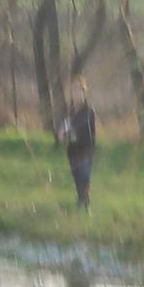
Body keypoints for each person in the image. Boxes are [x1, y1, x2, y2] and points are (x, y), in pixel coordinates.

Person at [60, 81, 98, 210]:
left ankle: (85, 205)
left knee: (84, 177)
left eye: (79, 92)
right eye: (74, 92)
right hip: (73, 151)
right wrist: (59, 134)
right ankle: (82, 202)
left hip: (86, 150)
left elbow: (78, 125)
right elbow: (61, 128)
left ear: (84, 94)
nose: (76, 95)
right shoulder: (68, 112)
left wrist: (65, 132)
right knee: (77, 178)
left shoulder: (89, 111)